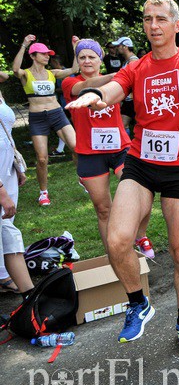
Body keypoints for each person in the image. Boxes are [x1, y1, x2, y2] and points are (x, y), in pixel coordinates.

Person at [65, 0, 179, 355]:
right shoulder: (137, 67)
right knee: (117, 239)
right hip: (140, 162)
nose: (153, 25)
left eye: (160, 19)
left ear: (176, 25)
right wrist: (96, 95)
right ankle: (138, 303)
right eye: (146, 19)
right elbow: (114, 89)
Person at [61, 39, 154, 258]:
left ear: (99, 59)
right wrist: (119, 75)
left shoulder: (116, 83)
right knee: (103, 209)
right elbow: (84, 87)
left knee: (142, 193)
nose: (86, 61)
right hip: (90, 155)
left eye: (91, 56)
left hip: (120, 148)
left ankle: (140, 235)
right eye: (81, 57)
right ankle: (115, 256)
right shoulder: (70, 83)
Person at [11, 35, 79, 206]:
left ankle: (83, 178)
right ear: (33, 56)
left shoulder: (52, 73)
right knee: (42, 158)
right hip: (38, 117)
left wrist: (75, 47)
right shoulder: (26, 74)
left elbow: (74, 69)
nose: (47, 56)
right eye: (43, 54)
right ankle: (43, 193)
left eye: (48, 54)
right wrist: (24, 44)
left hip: (57, 113)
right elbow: (14, 69)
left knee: (78, 148)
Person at [0, 87, 33, 297]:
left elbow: (6, 130)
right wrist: (1, 192)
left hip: (7, 166)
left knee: (6, 225)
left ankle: (4, 273)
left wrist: (15, 163)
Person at [114, 36, 140, 135]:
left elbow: (135, 81)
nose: (117, 48)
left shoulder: (133, 61)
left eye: (119, 46)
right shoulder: (127, 61)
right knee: (122, 125)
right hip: (129, 100)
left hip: (133, 100)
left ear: (125, 47)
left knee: (123, 125)